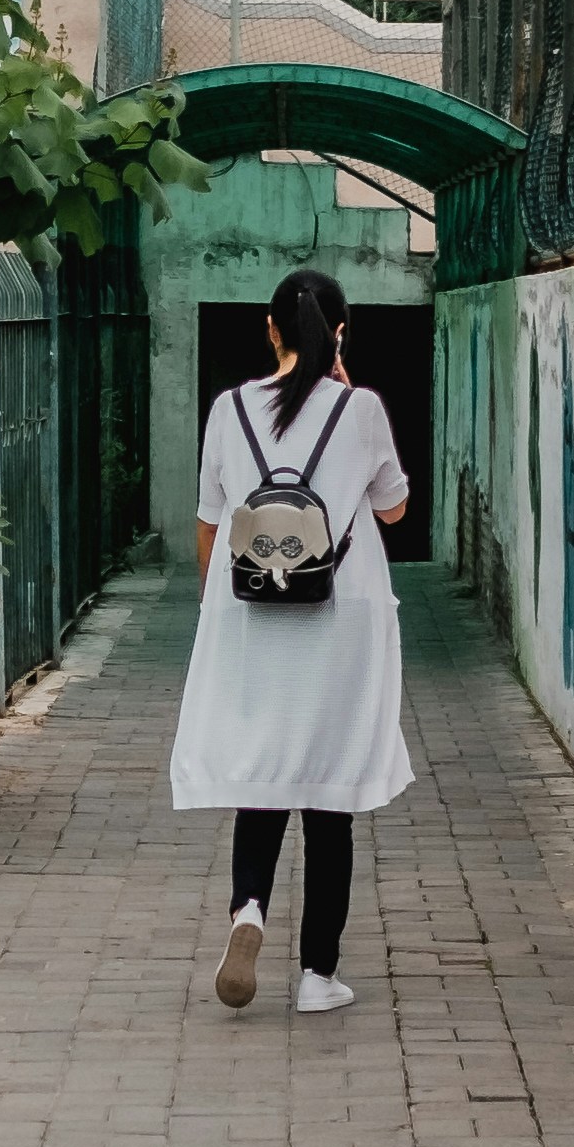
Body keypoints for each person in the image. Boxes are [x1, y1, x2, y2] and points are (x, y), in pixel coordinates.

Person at [170, 269, 413, 1012]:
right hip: (339, 619)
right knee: (329, 789)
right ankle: (317, 976)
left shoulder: (228, 409)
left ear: (269, 329)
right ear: (339, 334)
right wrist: (346, 387)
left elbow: (210, 521)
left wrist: (219, 610)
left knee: (264, 774)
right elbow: (394, 509)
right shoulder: (361, 409)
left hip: (253, 617)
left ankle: (248, 909)